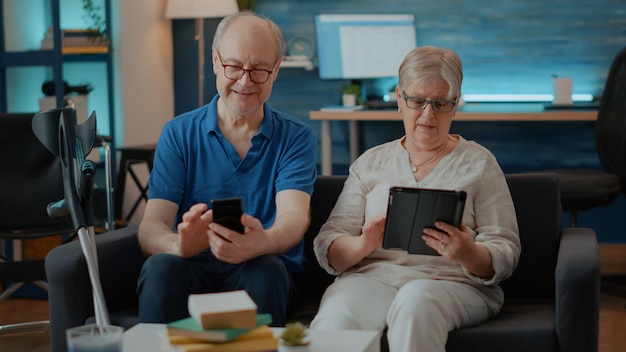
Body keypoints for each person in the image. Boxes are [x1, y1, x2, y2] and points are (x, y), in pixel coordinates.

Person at [309, 46, 521, 351]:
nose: (427, 115)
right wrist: (363, 244)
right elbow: (329, 243)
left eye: (440, 104)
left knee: (416, 301)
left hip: (453, 285)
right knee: (337, 316)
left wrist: (468, 253)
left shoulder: (480, 164)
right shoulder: (371, 163)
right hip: (373, 280)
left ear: (455, 105)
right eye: (417, 101)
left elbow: (506, 249)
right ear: (399, 99)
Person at [136, 11, 317, 326]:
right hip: (190, 266)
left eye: (259, 69)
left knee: (268, 271)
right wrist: (178, 245)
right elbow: (152, 224)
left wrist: (260, 242)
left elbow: (294, 218)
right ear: (216, 61)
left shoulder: (295, 137)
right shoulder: (178, 133)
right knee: (160, 269)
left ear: (276, 70)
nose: (245, 82)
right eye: (234, 66)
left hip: (260, 266)